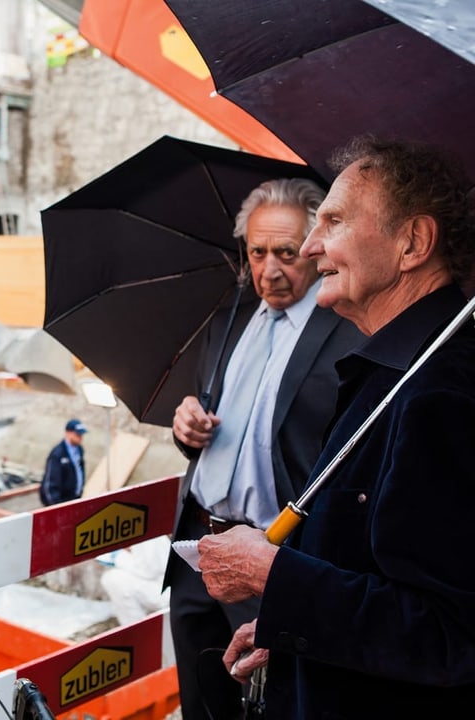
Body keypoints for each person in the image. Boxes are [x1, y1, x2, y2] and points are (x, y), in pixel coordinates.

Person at [198, 135, 475, 717]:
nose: (312, 243)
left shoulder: (444, 391)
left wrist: (271, 574)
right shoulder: (394, 370)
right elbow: (365, 567)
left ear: (413, 243)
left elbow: (450, 634)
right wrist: (293, 631)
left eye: (335, 221)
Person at [164, 178, 364, 720]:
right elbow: (215, 416)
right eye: (256, 253)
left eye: (285, 253)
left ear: (315, 246)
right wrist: (187, 428)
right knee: (199, 701)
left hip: (271, 557)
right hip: (196, 553)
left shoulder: (348, 328)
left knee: (272, 705)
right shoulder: (228, 316)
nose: (269, 271)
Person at [39, 418, 87, 505]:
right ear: (68, 433)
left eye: (81, 435)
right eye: (77, 434)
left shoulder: (79, 450)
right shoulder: (58, 454)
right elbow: (50, 483)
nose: (80, 438)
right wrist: (55, 506)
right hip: (61, 502)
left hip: (74, 498)